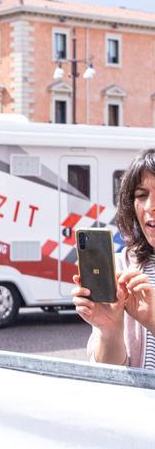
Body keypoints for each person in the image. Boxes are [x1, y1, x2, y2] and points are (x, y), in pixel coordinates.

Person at [75, 149, 155, 367]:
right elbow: (109, 374)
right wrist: (109, 330)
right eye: (141, 195)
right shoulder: (122, 270)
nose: (149, 207)